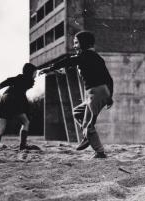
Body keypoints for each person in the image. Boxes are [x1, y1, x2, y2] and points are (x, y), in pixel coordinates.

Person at [40, 30, 113, 158]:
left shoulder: (86, 55)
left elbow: (68, 61)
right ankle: (87, 136)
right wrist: (110, 96)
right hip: (99, 92)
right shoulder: (95, 57)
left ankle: (99, 152)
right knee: (77, 112)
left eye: (76, 43)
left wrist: (51, 68)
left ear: (83, 43)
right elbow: (109, 79)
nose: (74, 46)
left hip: (95, 93)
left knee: (88, 124)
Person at [0, 63, 38, 153]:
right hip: (12, 99)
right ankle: (22, 146)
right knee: (26, 122)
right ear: (30, 73)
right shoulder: (27, 80)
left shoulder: (20, 79)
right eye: (35, 73)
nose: (35, 75)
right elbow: (23, 99)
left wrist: (0, 85)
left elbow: (11, 80)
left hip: (3, 98)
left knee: (1, 127)